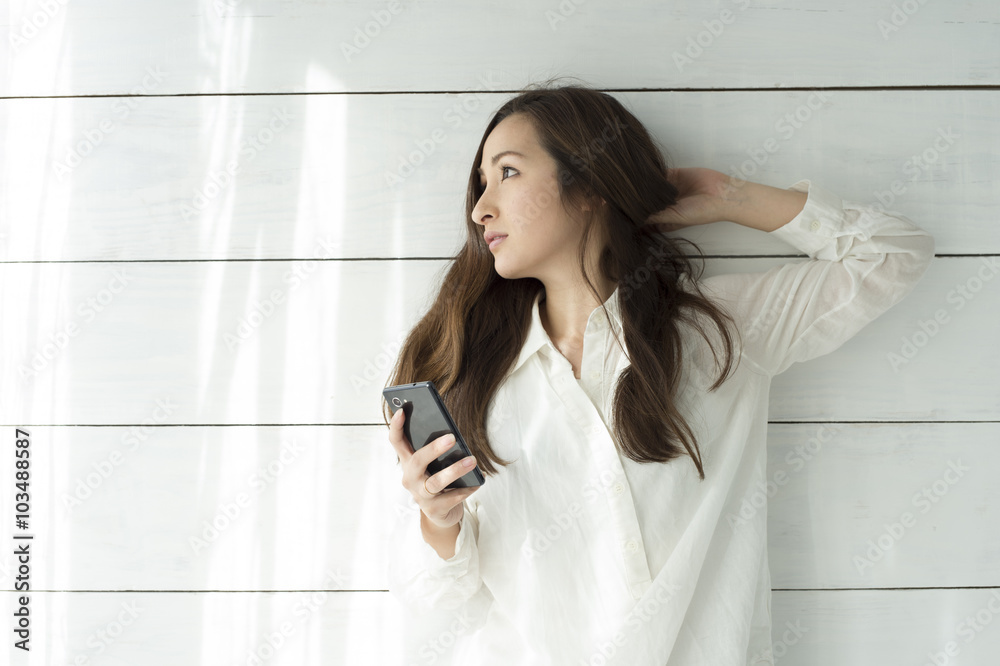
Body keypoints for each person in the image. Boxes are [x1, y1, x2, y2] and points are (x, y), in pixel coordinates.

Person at [382, 80, 935, 665]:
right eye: (481, 183)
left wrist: (727, 195)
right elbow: (436, 607)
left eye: (508, 173)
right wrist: (437, 519)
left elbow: (894, 252)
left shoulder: (719, 333)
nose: (480, 207)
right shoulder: (469, 379)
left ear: (590, 184)